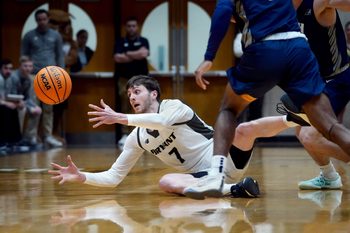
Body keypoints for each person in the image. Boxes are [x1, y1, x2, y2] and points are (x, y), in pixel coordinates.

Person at [184, 0, 350, 199]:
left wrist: (209, 57)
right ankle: (329, 174)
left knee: (229, 109)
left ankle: (215, 175)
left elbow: (222, 13)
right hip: (299, 50)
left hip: (267, 51)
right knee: (329, 127)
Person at [48, 75, 260, 198]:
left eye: (136, 91)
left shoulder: (173, 107)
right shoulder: (137, 137)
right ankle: (237, 189)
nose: (131, 97)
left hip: (223, 159)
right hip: (202, 175)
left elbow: (163, 122)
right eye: (129, 94)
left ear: (154, 94)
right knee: (166, 182)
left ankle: (290, 119)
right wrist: (83, 177)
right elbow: (114, 177)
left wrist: (121, 118)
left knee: (247, 128)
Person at [21, 9, 64, 148]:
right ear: (36, 20)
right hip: (34, 75)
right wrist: (25, 74)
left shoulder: (56, 36)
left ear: (48, 19)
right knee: (34, 107)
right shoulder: (29, 36)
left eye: (44, 19)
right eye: (39, 19)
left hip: (51, 76)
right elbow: (23, 56)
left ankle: (47, 136)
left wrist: (61, 74)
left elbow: (60, 56)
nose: (42, 22)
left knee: (48, 109)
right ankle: (31, 136)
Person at [113, 16, 150, 148]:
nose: (131, 28)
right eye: (129, 26)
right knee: (125, 105)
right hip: (124, 79)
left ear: (137, 27)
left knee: (142, 106)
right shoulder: (120, 41)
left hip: (141, 80)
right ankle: (125, 134)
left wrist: (127, 54)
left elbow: (144, 53)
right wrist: (136, 54)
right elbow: (117, 58)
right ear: (125, 28)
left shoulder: (144, 41)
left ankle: (141, 131)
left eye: (134, 26)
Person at [10, 56, 42, 149]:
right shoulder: (14, 77)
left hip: (21, 102)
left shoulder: (28, 79)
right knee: (22, 109)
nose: (28, 68)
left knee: (37, 110)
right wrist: (25, 105)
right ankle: (17, 139)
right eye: (25, 66)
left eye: (30, 66)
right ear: (20, 66)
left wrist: (33, 107)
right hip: (11, 101)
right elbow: (11, 94)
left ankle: (29, 138)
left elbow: (27, 98)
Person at [0, 59, 23, 154]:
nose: (8, 71)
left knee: (13, 109)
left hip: (2, 103)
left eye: (10, 68)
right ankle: (1, 142)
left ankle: (13, 141)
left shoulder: (9, 79)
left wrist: (17, 103)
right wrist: (6, 103)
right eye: (6, 68)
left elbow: (6, 97)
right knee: (5, 109)